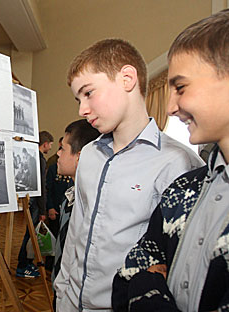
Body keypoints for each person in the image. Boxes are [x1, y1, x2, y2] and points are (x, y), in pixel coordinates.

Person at [54, 38, 203, 311]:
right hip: (70, 302)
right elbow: (76, 230)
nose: (81, 110)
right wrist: (61, 289)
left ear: (127, 79)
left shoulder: (178, 163)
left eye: (88, 93)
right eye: (78, 99)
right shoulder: (88, 155)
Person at [112, 9, 229, 311]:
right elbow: (129, 273)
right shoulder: (183, 190)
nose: (171, 107)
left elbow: (140, 281)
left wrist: (148, 289)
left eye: (181, 87)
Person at [50, 120, 100, 302]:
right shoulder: (69, 197)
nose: (57, 153)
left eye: (63, 148)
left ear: (79, 156)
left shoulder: (91, 204)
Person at [16, 130, 53, 278]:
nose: (50, 147)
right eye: (50, 144)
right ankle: (22, 265)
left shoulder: (32, 158)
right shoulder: (40, 160)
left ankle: (26, 262)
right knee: (30, 235)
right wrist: (43, 210)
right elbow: (41, 187)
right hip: (36, 204)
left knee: (30, 234)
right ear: (45, 144)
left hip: (29, 201)